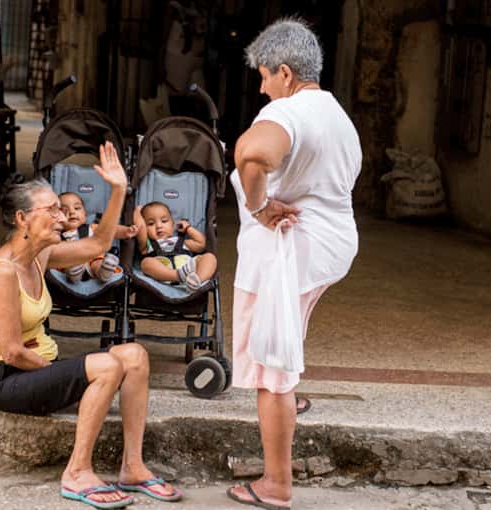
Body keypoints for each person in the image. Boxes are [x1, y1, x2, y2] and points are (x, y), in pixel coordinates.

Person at [0, 142, 181, 508]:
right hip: (4, 379)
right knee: (106, 366)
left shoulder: (41, 255)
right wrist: (65, 375)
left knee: (135, 356)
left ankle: (133, 467)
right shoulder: (2, 271)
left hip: (33, 369)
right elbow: (13, 352)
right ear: (22, 219)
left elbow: (98, 242)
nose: (63, 217)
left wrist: (119, 189)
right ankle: (77, 472)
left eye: (61, 209)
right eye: (52, 210)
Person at [226, 19, 362, 510]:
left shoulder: (289, 111)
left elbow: (251, 155)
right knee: (281, 349)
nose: (262, 89)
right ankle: (285, 409)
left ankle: (276, 484)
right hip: (328, 245)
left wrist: (260, 206)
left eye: (264, 77)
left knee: (272, 369)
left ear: (285, 73)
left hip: (291, 252)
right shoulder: (334, 113)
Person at [132, 201, 217, 292]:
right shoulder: (147, 245)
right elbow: (140, 227)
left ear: (172, 226)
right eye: (151, 224)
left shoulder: (181, 241)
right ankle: (178, 275)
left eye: (164, 221)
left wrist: (188, 228)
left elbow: (202, 244)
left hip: (190, 273)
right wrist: (137, 211)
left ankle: (197, 280)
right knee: (146, 263)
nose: (159, 226)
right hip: (163, 277)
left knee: (210, 257)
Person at [58, 191, 138, 283]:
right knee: (65, 262)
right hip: (71, 263)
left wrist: (126, 231)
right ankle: (73, 274)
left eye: (77, 208)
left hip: (92, 259)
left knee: (98, 262)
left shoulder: (92, 228)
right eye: (64, 210)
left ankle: (104, 271)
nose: (72, 212)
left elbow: (111, 230)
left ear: (85, 214)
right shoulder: (56, 234)